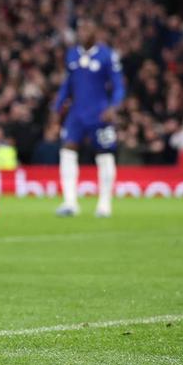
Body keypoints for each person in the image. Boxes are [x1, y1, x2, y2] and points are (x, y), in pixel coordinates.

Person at [52, 19, 125, 218]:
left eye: (87, 28)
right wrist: (56, 107)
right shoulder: (72, 55)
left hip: (100, 113)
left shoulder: (107, 55)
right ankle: (70, 202)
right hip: (76, 114)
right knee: (67, 150)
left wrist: (114, 106)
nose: (82, 32)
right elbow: (68, 84)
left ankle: (104, 204)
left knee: (105, 155)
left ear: (96, 31)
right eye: (81, 28)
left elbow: (118, 85)